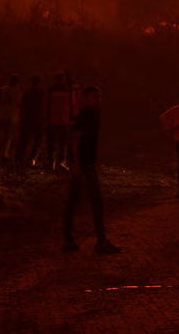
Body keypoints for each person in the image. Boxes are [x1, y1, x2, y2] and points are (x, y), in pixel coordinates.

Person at [62, 86, 120, 254]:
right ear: (86, 99)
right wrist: (77, 164)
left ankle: (69, 239)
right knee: (95, 202)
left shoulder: (92, 114)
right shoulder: (86, 115)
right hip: (84, 164)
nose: (97, 100)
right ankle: (100, 242)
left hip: (85, 163)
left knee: (74, 201)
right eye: (93, 97)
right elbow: (74, 139)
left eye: (98, 97)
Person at [46, 72, 74, 171]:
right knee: (59, 143)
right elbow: (71, 105)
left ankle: (53, 162)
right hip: (61, 120)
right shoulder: (67, 91)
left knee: (56, 143)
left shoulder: (52, 90)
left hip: (58, 120)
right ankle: (57, 162)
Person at [18, 76, 45, 166]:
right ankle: (32, 158)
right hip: (37, 119)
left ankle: (19, 156)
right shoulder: (41, 93)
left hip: (27, 119)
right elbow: (43, 106)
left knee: (24, 139)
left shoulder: (27, 93)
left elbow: (22, 106)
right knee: (37, 140)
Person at [0, 73, 21, 162]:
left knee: (0, 136)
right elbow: (18, 104)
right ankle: (4, 154)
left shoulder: (3, 90)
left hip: (2, 115)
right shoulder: (17, 92)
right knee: (8, 137)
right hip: (12, 117)